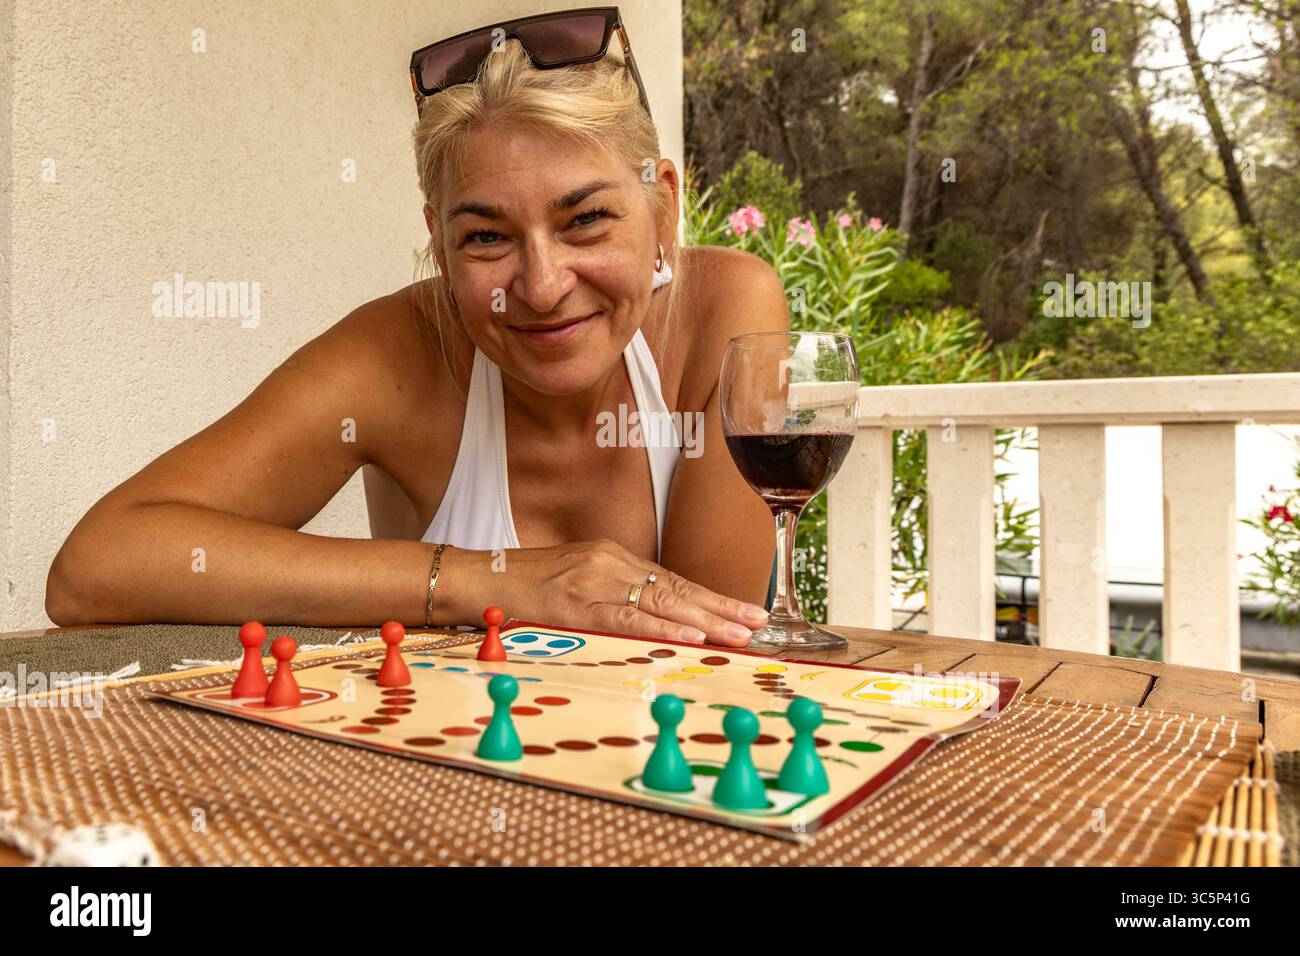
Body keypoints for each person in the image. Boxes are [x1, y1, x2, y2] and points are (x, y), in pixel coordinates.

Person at [45, 11, 785, 646]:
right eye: (486, 237)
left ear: (662, 208)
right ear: (439, 239)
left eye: (586, 220)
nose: (542, 285)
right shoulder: (399, 349)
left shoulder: (723, 309)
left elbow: (705, 647)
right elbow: (96, 567)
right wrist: (481, 579)